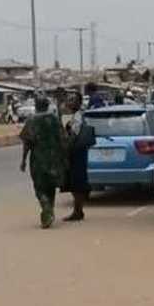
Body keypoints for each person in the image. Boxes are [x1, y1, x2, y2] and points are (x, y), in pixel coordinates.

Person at [19, 96, 67, 229]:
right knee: (51, 185)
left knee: (39, 186)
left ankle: (46, 207)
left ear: (36, 105)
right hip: (54, 158)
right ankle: (49, 211)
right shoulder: (55, 119)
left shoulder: (31, 120)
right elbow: (63, 139)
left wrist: (23, 160)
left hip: (38, 159)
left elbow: (27, 142)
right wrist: (65, 157)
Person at [62, 93, 95, 221]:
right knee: (75, 182)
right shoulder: (73, 116)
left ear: (79, 103)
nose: (69, 102)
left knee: (77, 182)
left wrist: (66, 148)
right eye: (68, 99)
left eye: (72, 100)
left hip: (77, 152)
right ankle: (78, 210)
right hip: (77, 152)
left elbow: (73, 136)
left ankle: (78, 211)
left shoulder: (78, 117)